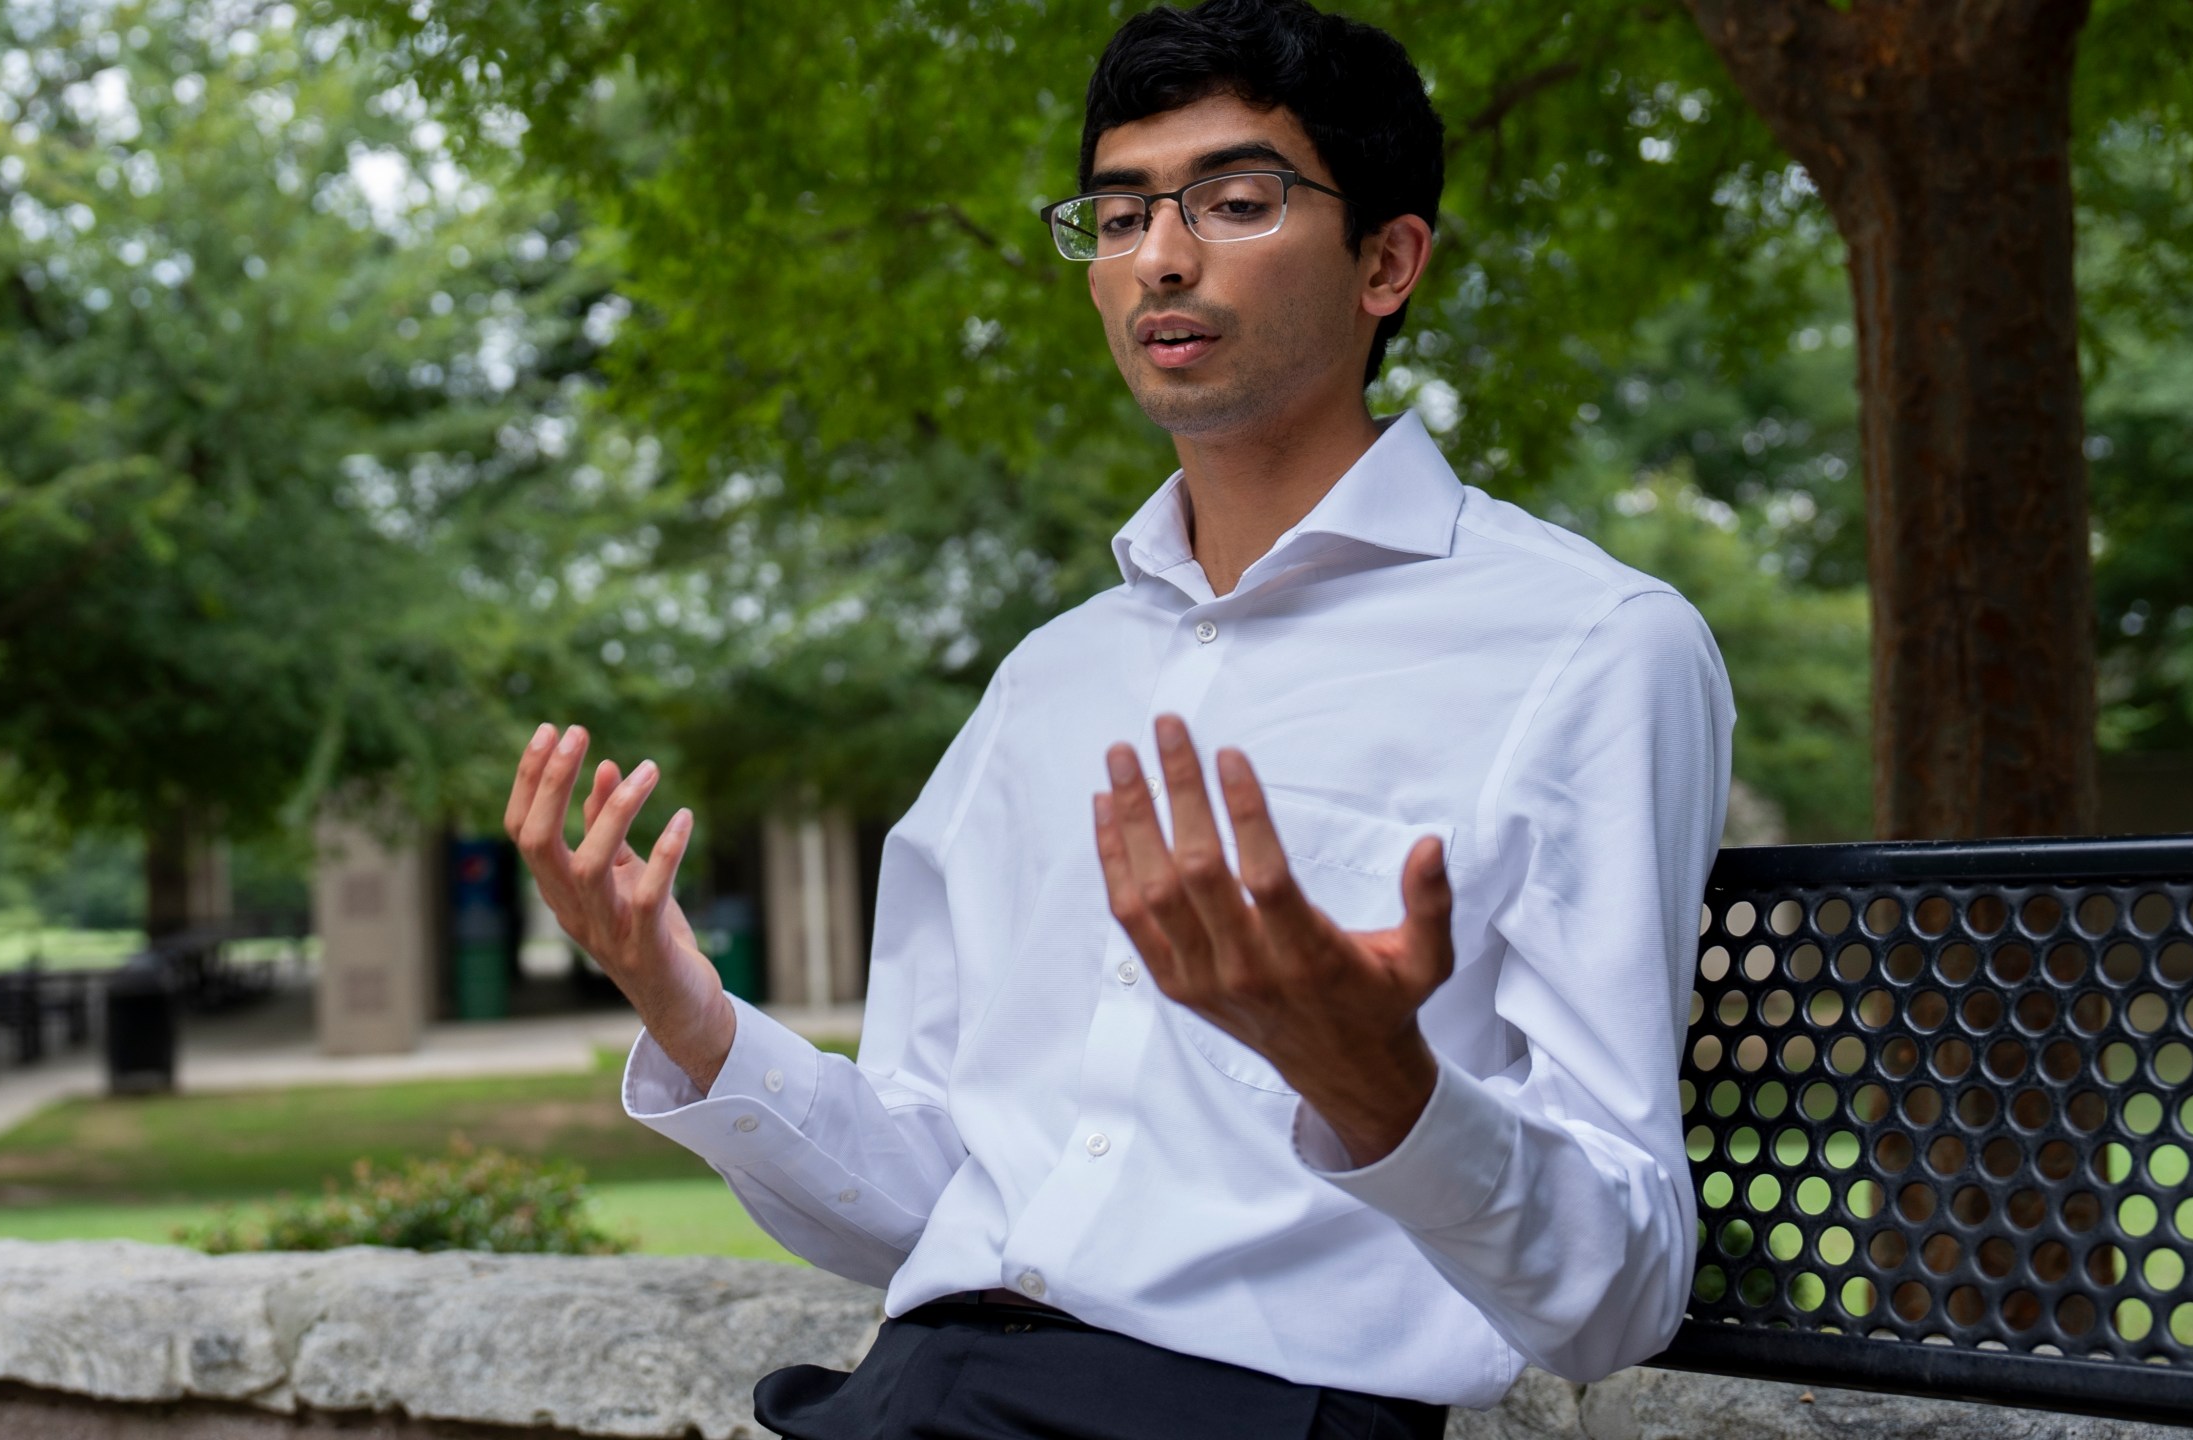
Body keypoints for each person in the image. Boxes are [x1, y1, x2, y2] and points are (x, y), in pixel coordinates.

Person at [502, 0, 1733, 1434]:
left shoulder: (1590, 648)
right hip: (914, 1391)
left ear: (1389, 262)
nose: (1158, 253)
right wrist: (684, 1007)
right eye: (1118, 211)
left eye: (1236, 199)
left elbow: (1622, 1291)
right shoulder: (1052, 681)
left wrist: (1381, 1084)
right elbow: (932, 1188)